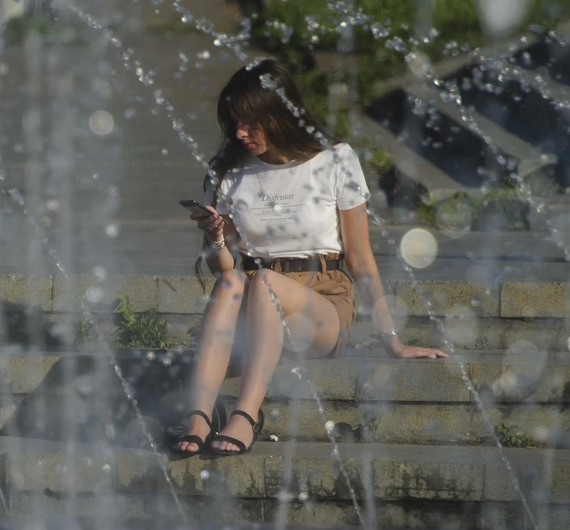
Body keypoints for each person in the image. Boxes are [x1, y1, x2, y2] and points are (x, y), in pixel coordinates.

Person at [172, 59, 448, 457]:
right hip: (249, 299)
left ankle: (245, 415)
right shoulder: (227, 169)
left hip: (321, 299)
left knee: (265, 283)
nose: (239, 133)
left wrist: (394, 341)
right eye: (233, 122)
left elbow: (360, 256)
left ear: (280, 114)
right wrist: (216, 240)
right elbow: (225, 269)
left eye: (250, 122)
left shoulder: (335, 159)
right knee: (235, 281)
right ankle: (199, 415)